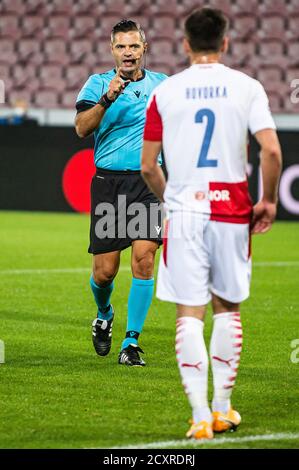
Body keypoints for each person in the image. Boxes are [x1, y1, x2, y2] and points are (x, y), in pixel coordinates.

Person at [141, 7, 282, 439]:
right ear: (225, 42)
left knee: (189, 313)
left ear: (185, 44)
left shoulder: (165, 93)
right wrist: (270, 201)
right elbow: (271, 152)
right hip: (231, 210)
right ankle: (223, 408)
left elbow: (148, 166)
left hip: (185, 212)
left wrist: (175, 201)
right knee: (227, 309)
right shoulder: (247, 87)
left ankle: (199, 416)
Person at [75, 20, 167, 366]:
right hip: (109, 184)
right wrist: (108, 97)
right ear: (112, 50)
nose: (128, 53)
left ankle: (131, 343)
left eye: (133, 46)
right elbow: (82, 129)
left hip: (147, 182)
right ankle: (104, 314)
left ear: (144, 48)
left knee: (144, 260)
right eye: (121, 47)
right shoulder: (97, 83)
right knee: (105, 272)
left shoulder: (163, 85)